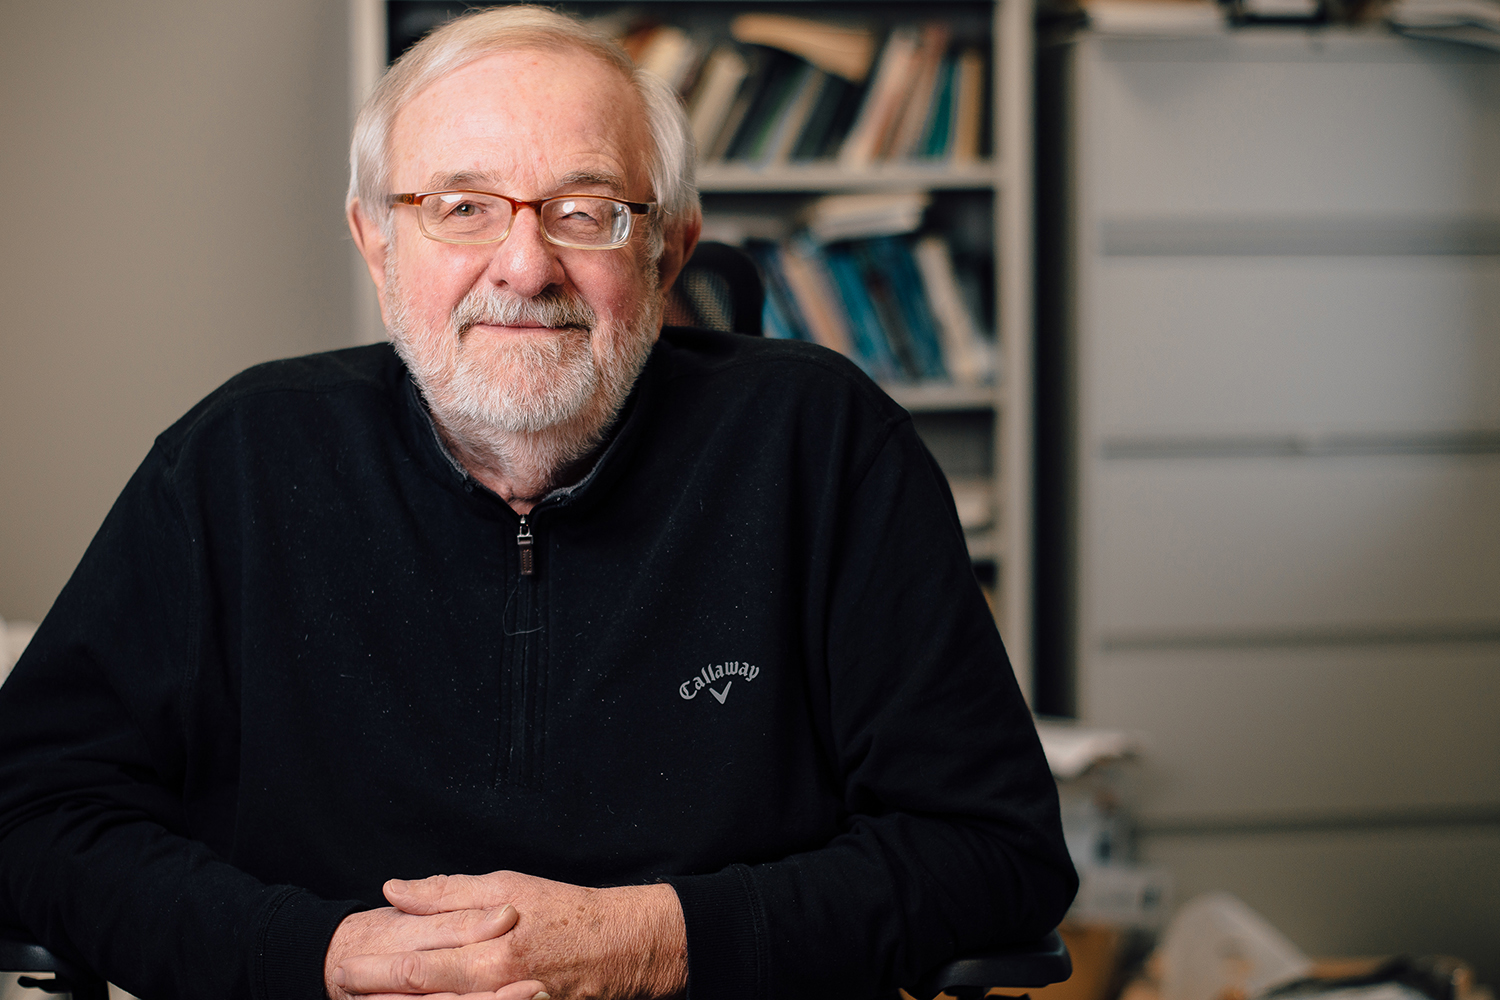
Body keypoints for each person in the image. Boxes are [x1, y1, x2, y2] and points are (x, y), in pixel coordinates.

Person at [0, 7, 1075, 1000]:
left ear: (668, 254)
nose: (524, 265)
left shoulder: (825, 447)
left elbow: (996, 852)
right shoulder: (233, 461)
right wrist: (325, 955)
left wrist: (652, 942)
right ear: (379, 242)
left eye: (586, 211)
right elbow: (30, 813)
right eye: (460, 207)